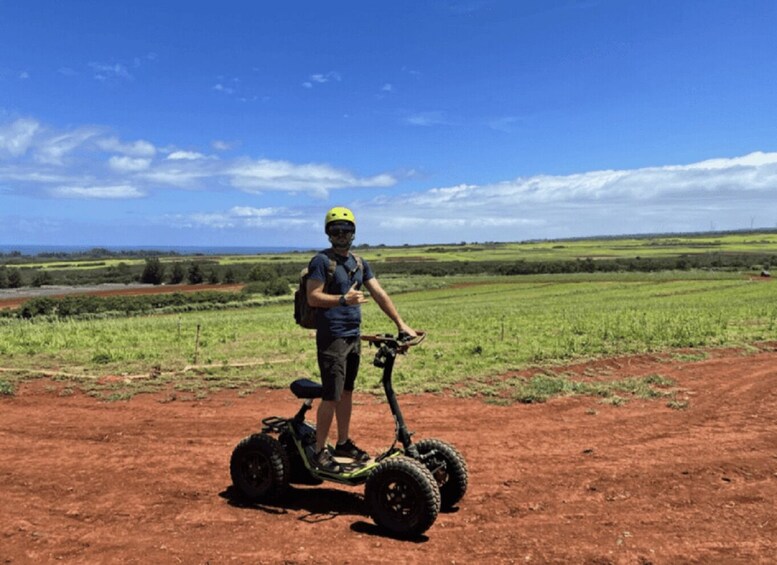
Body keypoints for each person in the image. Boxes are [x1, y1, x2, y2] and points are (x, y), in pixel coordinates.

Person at [306, 206, 417, 473]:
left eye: (346, 230)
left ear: (353, 233)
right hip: (332, 338)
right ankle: (319, 452)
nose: (341, 235)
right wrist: (343, 299)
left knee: (346, 392)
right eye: (336, 230)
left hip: (353, 337)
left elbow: (379, 293)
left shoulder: (359, 263)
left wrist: (400, 324)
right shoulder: (321, 262)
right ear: (328, 234)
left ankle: (342, 443)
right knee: (331, 395)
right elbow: (313, 297)